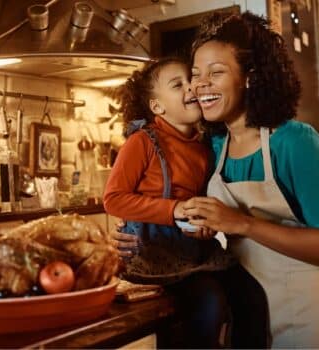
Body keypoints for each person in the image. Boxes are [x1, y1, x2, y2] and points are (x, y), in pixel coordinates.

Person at [182, 11, 319, 348]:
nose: (199, 85)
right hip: (251, 313)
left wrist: (242, 223)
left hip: (314, 316)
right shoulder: (215, 145)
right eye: (195, 74)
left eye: (216, 72)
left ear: (250, 77)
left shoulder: (295, 142)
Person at [103, 57, 265, 348]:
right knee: (210, 301)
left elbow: (202, 204)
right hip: (152, 255)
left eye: (190, 81)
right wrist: (174, 209)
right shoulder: (141, 142)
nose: (191, 88)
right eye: (178, 85)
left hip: (194, 251)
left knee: (250, 294)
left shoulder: (204, 148)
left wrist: (204, 226)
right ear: (157, 107)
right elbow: (113, 199)